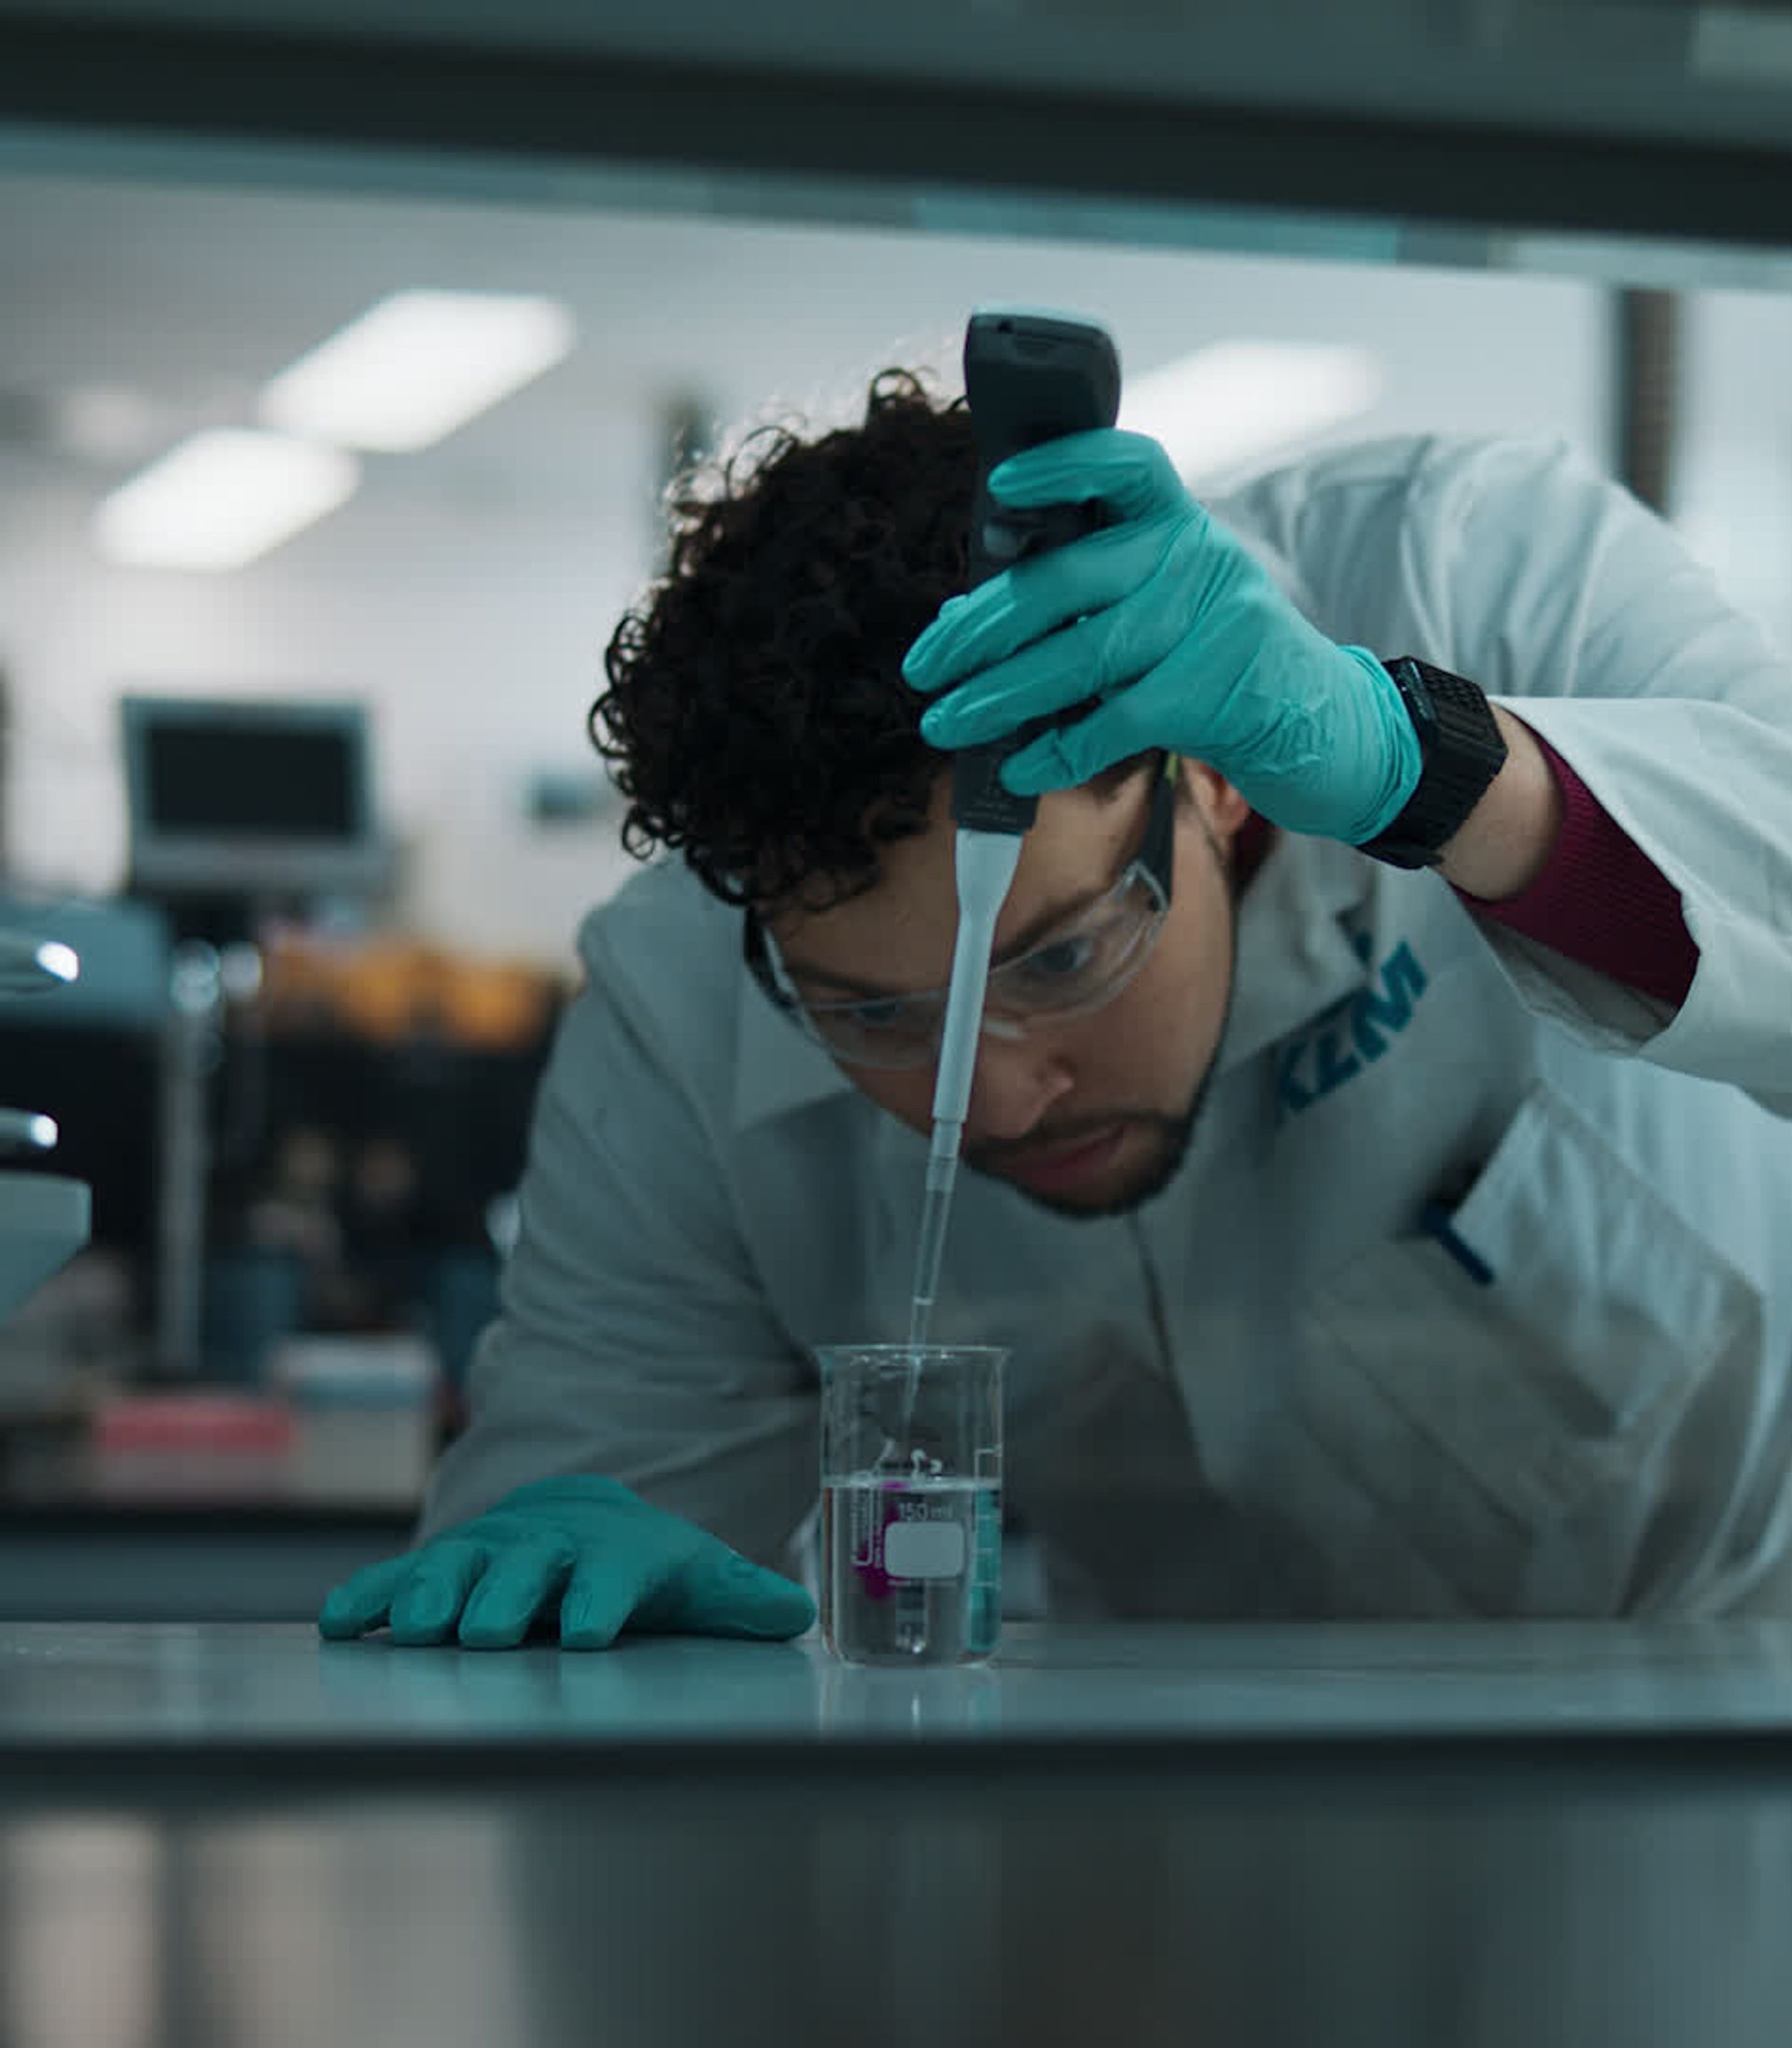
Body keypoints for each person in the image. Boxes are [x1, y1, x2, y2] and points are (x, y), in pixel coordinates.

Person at [320, 366, 1792, 1650]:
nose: (1004, 1093)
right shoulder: (684, 999)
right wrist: (590, 1573)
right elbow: (567, 1540)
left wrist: (1433, 767)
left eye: (1065, 959)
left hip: (1725, 1696)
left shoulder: (1469, 562)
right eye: (875, 1016)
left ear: (1206, 777)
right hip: (1172, 1815)